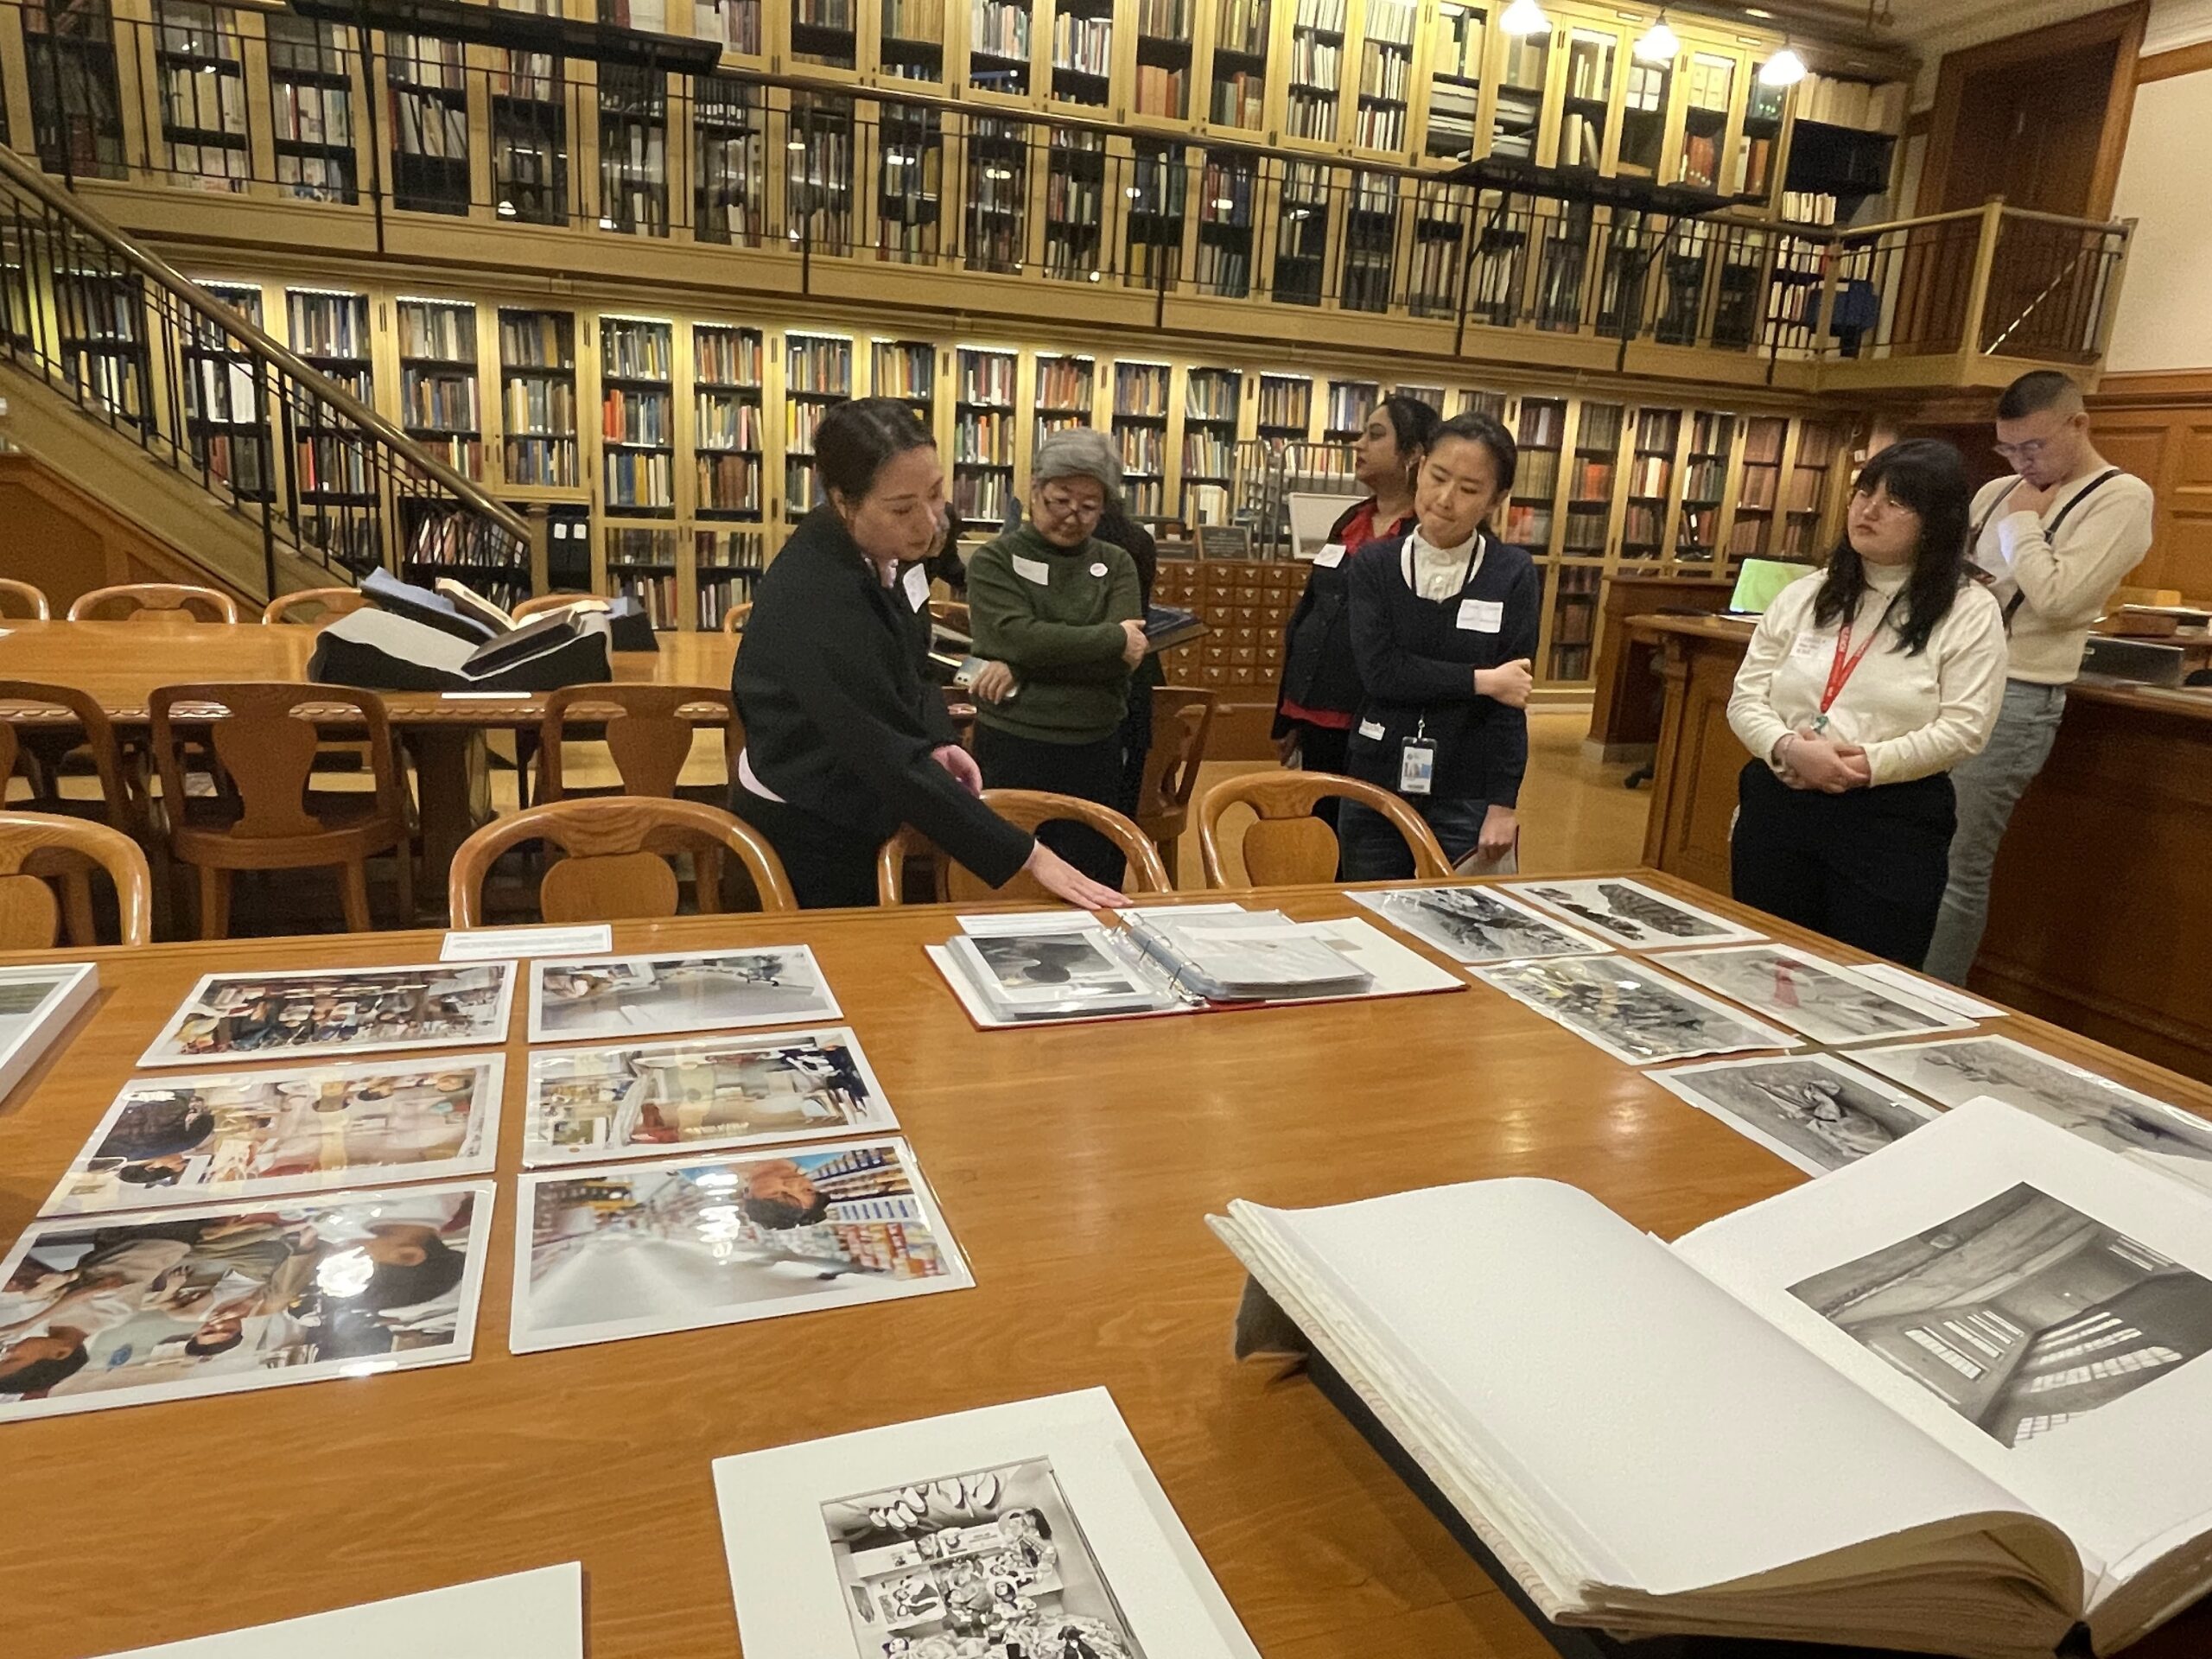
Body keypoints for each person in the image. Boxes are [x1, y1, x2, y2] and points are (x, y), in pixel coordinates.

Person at [731, 398, 1126, 911]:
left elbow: (913, 661)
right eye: (902, 508)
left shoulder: (892, 547)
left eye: (936, 493)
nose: (928, 522)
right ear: (844, 501)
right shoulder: (819, 597)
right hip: (807, 813)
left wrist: (939, 739)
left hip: (859, 786)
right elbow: (883, 754)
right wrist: (1029, 856)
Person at [1726, 439, 2008, 966]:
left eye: (1895, 502)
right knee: (1764, 966)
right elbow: (1746, 697)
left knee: (1867, 980)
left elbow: (1965, 728)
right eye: (1863, 493)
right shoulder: (1806, 594)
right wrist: (1788, 747)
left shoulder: (1969, 611)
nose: (1869, 510)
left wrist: (1862, 767)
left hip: (1889, 818)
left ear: (1936, 522)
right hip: (1781, 800)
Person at [1921, 371, 2155, 984]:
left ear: (2079, 424)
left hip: (2018, 692)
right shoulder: (1997, 489)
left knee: (1956, 865)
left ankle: (1929, 998)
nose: (2022, 462)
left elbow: (2057, 599)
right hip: (1946, 678)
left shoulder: (2120, 497)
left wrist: (2023, 524)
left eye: (2034, 447)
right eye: (2008, 448)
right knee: (1913, 846)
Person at [1337, 409, 1538, 879]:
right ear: (1420, 467)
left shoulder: (1512, 573)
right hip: (1376, 776)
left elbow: (1513, 699)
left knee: (1454, 915)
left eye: (1469, 490)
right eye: (1438, 477)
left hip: (1467, 786)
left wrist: (1503, 804)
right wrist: (1483, 681)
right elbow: (1381, 674)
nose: (1445, 500)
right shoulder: (1374, 565)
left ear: (1496, 500)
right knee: (1370, 908)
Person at [963, 429, 1146, 884]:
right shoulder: (994, 560)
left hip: (1095, 745)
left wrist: (1020, 665)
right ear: (1035, 490)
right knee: (1009, 879)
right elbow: (1015, 636)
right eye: (1060, 501)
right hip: (1014, 743)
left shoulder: (1118, 562)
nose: (1072, 517)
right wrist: (1110, 638)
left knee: (1093, 878)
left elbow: (1124, 658)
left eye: (1089, 506)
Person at [1274, 397, 1443, 830]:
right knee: (1322, 830)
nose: (1358, 443)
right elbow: (1312, 610)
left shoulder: (1428, 533)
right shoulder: (1352, 518)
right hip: (1319, 711)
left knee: (1370, 834)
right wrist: (1290, 713)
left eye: (1376, 434)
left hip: (1381, 717)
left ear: (1413, 454)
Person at [1095, 499, 1161, 823]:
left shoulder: (1084, 545)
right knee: (1124, 796)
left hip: (1094, 685)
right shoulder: (1140, 540)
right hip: (1140, 672)